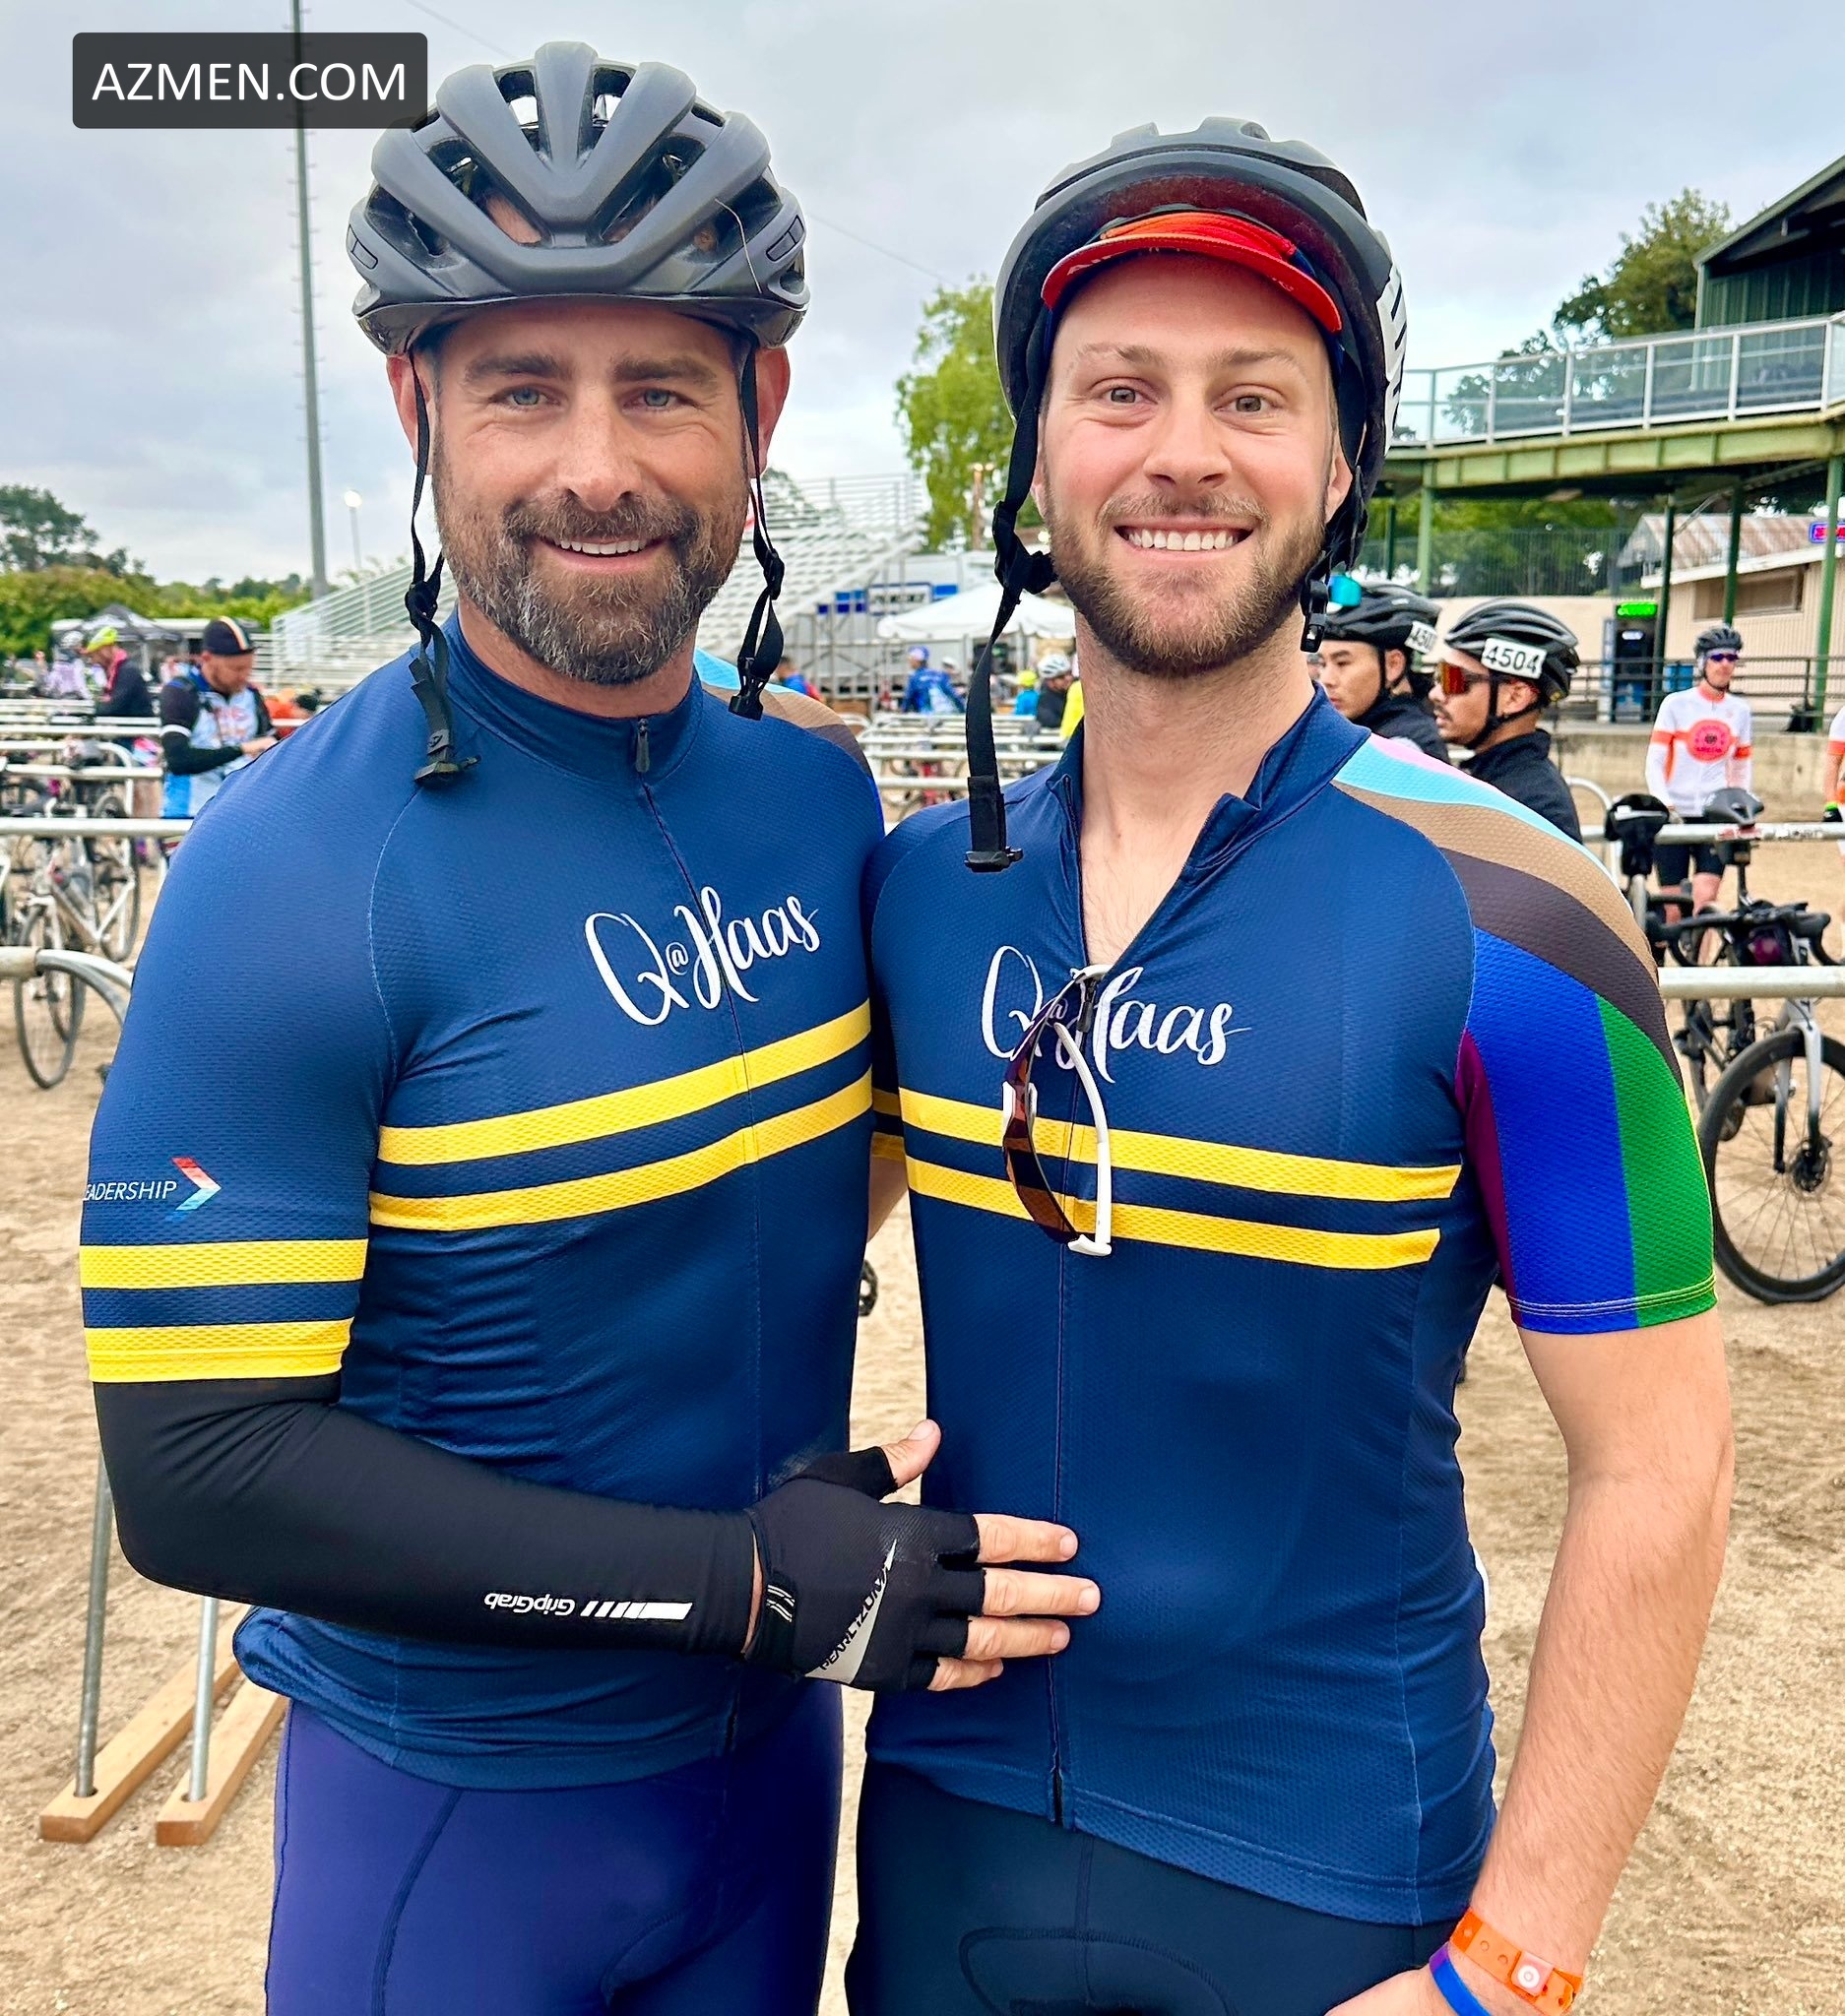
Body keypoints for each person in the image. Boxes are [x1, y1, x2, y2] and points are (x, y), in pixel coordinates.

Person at [80, 47, 1091, 2016]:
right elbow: (197, 1468)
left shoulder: (812, 798)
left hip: (768, 1789)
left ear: (757, 413)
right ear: (416, 410)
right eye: (522, 388)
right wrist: (743, 1584)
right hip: (455, 1831)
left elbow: (798, 1190)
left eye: (661, 389)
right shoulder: (290, 871)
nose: (596, 465)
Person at [853, 118, 1731, 2016]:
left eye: (1250, 395)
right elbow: (731, 1279)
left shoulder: (1522, 913)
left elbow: (1658, 1461)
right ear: (1033, 461)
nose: (1180, 450)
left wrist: (1507, 1968)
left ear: (1337, 469)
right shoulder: (914, 888)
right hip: (942, 1847)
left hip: (1333, 1880)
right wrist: (773, 1527)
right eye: (1117, 389)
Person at [1431, 600, 1584, 840]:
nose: (1435, 694)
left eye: (1453, 679)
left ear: (1514, 697)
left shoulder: (1531, 808)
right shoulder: (1497, 781)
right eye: (1438, 675)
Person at [1645, 622, 1753, 911]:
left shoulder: (1741, 711)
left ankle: (1700, 943)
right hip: (1675, 812)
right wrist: (1665, 803)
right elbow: (1654, 762)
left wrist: (1741, 807)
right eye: (1717, 657)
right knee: (1672, 905)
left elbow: (1741, 767)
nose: (1725, 664)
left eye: (1731, 658)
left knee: (1705, 897)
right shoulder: (1675, 705)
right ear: (1702, 663)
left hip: (1714, 813)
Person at [158, 616, 278, 817]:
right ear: (207, 658)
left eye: (248, 668)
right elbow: (178, 759)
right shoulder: (181, 692)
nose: (244, 676)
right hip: (190, 813)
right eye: (236, 669)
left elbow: (270, 744)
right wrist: (241, 749)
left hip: (241, 811)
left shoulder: (251, 695)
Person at [1315, 579, 1447, 761]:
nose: (1326, 680)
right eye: (1322, 664)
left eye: (1342, 663)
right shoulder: (1361, 730)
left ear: (1393, 665)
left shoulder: (1404, 746)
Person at [900, 644, 964, 713]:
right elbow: (954, 696)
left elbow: (908, 699)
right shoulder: (939, 675)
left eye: (911, 658)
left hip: (925, 716)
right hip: (946, 715)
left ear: (916, 660)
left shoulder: (915, 678)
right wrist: (963, 711)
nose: (909, 661)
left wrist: (902, 713)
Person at [1032, 652, 1075, 732]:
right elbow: (1050, 721)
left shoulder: (1077, 691)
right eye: (1061, 677)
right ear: (1049, 681)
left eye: (1069, 673)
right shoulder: (1045, 700)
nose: (1068, 678)